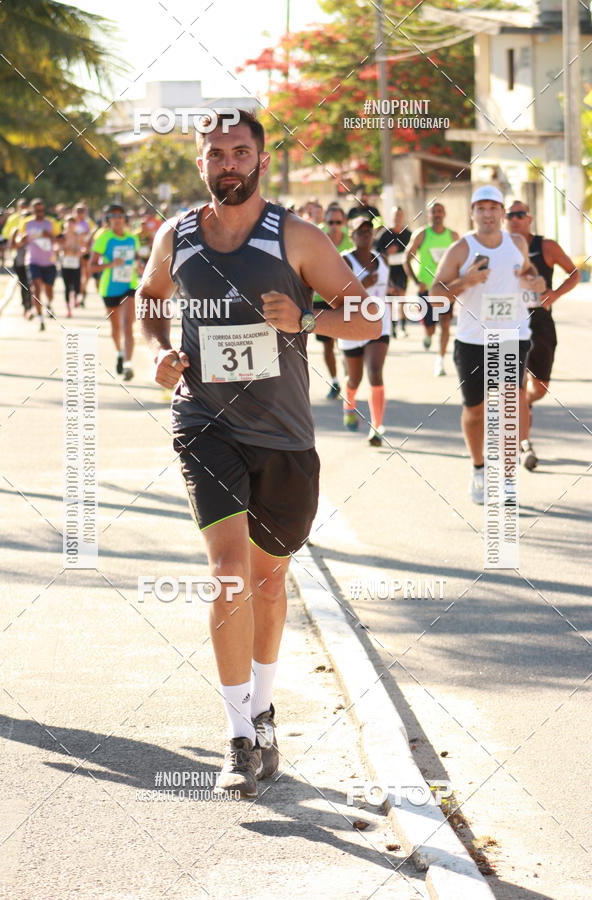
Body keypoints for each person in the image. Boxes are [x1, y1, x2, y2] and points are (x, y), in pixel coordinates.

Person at [137, 109, 379, 798]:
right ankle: (238, 735)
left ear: (263, 160)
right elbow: (150, 300)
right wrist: (158, 352)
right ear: (200, 163)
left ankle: (264, 710)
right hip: (204, 421)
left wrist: (304, 319)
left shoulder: (296, 237)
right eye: (216, 155)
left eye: (241, 153)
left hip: (284, 437)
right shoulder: (176, 235)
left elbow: (365, 314)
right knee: (229, 574)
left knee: (271, 581)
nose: (228, 166)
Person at [431, 186, 545, 504]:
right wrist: (465, 282)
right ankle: (479, 469)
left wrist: (535, 282)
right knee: (476, 411)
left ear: (502, 213)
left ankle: (507, 477)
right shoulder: (460, 248)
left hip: (512, 335)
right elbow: (436, 292)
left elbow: (530, 274)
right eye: (480, 208)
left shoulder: (517, 243)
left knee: (509, 407)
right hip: (472, 340)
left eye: (493, 207)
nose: (487, 214)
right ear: (472, 213)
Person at [505, 200, 581, 470]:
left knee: (540, 387)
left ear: (529, 218)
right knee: (518, 383)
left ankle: (525, 406)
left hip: (540, 321)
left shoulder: (545, 246)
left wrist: (555, 294)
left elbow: (574, 273)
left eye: (519, 214)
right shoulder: (499, 246)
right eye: (510, 215)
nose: (514, 219)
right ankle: (525, 445)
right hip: (510, 322)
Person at [339, 215, 391, 446]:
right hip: (351, 325)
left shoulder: (382, 260)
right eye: (360, 231)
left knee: (375, 372)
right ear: (351, 235)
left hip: (379, 324)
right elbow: (335, 296)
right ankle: (348, 403)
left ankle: (377, 427)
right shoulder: (344, 261)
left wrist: (393, 290)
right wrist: (363, 287)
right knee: (354, 378)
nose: (365, 235)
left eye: (369, 231)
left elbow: (385, 289)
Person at [405, 202, 458, 373]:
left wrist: (457, 284)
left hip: (446, 290)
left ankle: (440, 361)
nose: (437, 214)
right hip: (426, 290)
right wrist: (415, 282)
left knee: (445, 323)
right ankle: (428, 335)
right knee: (430, 327)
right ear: (428, 215)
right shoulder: (421, 235)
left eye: (440, 211)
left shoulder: (453, 236)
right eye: (433, 212)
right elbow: (406, 259)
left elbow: (462, 260)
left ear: (445, 214)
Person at [91, 203, 139, 380]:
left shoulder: (133, 238)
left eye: (120, 216)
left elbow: (136, 259)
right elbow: (91, 267)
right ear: (108, 220)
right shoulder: (104, 238)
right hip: (110, 287)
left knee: (128, 326)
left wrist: (139, 266)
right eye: (113, 216)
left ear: (125, 219)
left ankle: (128, 364)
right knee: (116, 327)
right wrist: (111, 264)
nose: (117, 219)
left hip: (129, 285)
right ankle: (119, 353)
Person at [313, 206, 354, 399]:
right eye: (331, 222)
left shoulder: (350, 240)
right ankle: (335, 381)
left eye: (338, 222)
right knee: (327, 344)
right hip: (320, 298)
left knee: (344, 341)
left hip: (344, 298)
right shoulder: (316, 236)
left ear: (344, 223)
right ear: (325, 222)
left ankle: (348, 378)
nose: (334, 227)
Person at [17, 198, 61, 331]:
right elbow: (18, 240)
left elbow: (60, 239)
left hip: (49, 261)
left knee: (49, 289)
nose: (39, 212)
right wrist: (22, 239)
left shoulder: (51, 223)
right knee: (36, 288)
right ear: (32, 210)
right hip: (32, 261)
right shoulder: (26, 223)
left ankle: (49, 304)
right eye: (36, 210)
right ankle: (40, 318)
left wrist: (51, 237)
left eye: (41, 210)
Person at [376, 206, 411, 338]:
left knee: (402, 297)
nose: (397, 218)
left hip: (402, 269)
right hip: (388, 270)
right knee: (390, 300)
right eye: (395, 216)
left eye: (400, 216)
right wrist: (387, 252)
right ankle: (392, 327)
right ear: (392, 217)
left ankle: (402, 326)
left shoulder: (408, 235)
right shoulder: (385, 235)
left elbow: (413, 252)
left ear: (403, 217)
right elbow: (376, 254)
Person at [58, 215, 85, 317]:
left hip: (75, 263)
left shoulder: (78, 235)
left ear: (75, 225)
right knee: (67, 287)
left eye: (72, 223)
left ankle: (75, 297)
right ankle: (68, 309)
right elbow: (57, 247)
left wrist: (78, 253)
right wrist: (63, 249)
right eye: (68, 223)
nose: (70, 225)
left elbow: (83, 248)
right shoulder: (62, 236)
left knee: (76, 284)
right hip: (65, 263)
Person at [9, 203, 32, 316]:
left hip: (33, 261)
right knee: (25, 285)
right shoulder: (16, 231)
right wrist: (21, 241)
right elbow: (11, 246)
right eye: (24, 216)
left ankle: (31, 307)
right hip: (20, 262)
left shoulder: (35, 230)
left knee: (32, 285)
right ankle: (26, 307)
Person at [74, 202, 97, 306]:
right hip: (73, 253)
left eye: (82, 211)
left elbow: (94, 235)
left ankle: (82, 293)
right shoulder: (71, 222)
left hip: (86, 252)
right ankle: (77, 293)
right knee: (77, 275)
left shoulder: (89, 223)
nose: (80, 213)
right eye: (78, 211)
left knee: (86, 275)